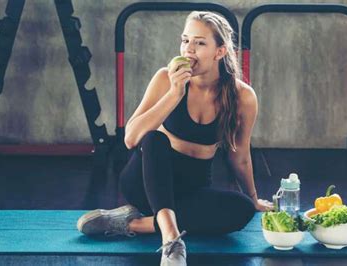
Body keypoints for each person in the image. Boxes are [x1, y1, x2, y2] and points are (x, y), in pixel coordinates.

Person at [77, 11, 274, 266]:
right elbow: (131, 138)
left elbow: (241, 156)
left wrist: (254, 198)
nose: (189, 49)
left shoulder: (242, 97)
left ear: (220, 51)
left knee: (242, 209)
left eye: (200, 43)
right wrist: (174, 93)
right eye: (185, 40)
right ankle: (171, 241)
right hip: (146, 182)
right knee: (154, 139)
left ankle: (132, 222)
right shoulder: (164, 79)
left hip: (190, 190)